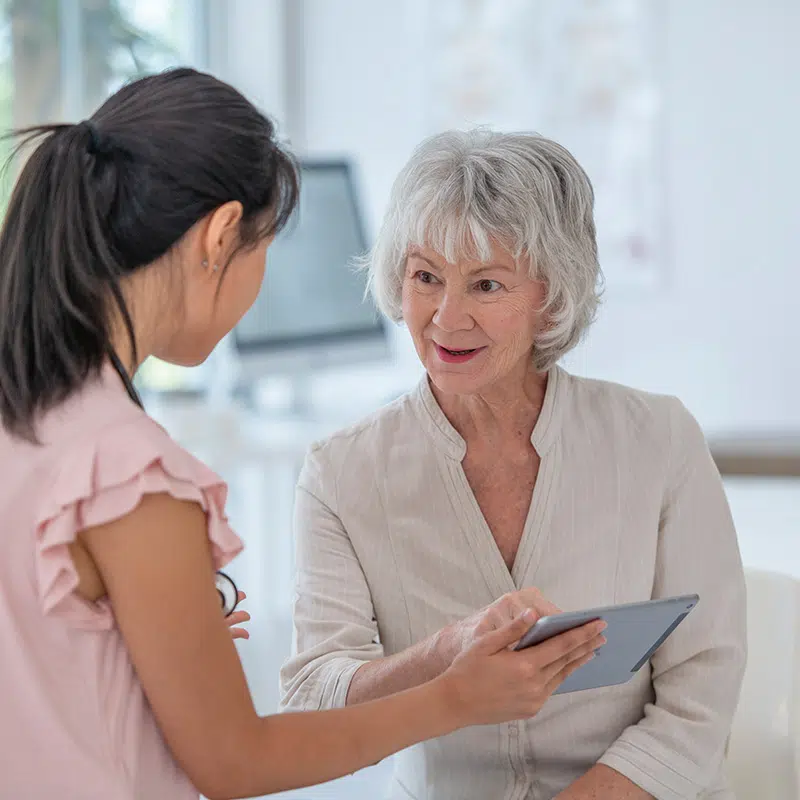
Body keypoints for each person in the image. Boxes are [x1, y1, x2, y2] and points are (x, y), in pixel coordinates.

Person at [0, 73, 607, 799]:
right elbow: (236, 761)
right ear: (222, 235)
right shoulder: (129, 473)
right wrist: (457, 696)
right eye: (265, 251)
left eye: (487, 284)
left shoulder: (31, 424)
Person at [280, 129, 747, 800]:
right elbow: (312, 701)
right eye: (425, 277)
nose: (446, 317)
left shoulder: (658, 440)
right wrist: (440, 658)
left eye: (486, 284)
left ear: (550, 297)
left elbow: (701, 693)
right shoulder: (341, 473)